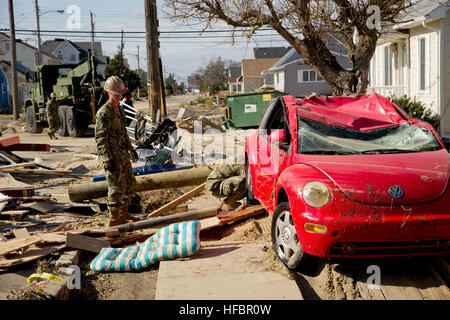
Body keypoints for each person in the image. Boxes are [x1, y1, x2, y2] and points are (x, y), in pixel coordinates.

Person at [95, 76, 140, 227]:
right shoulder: (103, 113)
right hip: (113, 157)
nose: (119, 97)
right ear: (108, 93)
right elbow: (100, 138)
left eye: (120, 94)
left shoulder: (119, 110)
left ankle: (124, 213)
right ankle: (113, 219)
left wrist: (131, 150)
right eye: (116, 94)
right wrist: (105, 159)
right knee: (115, 188)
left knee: (129, 185)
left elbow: (123, 132)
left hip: (123, 155)